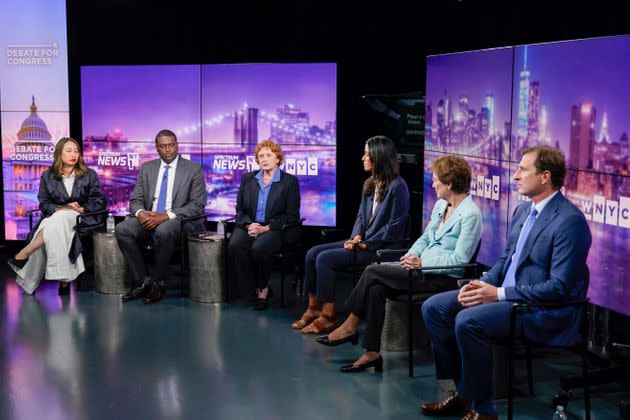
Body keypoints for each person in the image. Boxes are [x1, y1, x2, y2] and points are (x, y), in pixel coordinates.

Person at [420, 146, 591, 420]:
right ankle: (461, 392)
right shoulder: (523, 211)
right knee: (434, 308)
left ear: (545, 176)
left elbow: (558, 288)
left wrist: (497, 294)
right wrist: (481, 283)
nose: (515, 176)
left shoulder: (570, 221)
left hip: (540, 310)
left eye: (523, 169)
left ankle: (484, 410)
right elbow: (505, 260)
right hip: (506, 296)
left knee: (468, 320)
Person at [316, 155, 482, 373]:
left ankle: (350, 324)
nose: (432, 184)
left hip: (441, 278)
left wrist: (422, 262)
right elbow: (425, 238)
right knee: (376, 287)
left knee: (372, 270)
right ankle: (372, 352)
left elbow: (460, 262)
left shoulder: (471, 214)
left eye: (436, 180)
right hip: (420, 269)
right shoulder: (442, 205)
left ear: (449, 183)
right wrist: (411, 256)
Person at [292, 135, 409, 334]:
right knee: (312, 253)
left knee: (325, 259)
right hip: (363, 242)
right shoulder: (370, 183)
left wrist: (365, 244)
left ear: (378, 157)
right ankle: (314, 308)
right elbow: (360, 218)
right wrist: (355, 237)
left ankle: (329, 316)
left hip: (383, 249)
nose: (362, 158)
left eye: (366, 154)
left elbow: (394, 227)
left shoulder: (398, 186)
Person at [116, 129, 206, 304]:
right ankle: (142, 281)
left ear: (177, 145)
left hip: (179, 220)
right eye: (163, 146)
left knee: (164, 230)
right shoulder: (147, 168)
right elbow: (135, 200)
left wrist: (165, 216)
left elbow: (197, 205)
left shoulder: (193, 169)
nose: (168, 150)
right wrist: (141, 214)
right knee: (122, 229)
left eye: (171, 145)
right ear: (157, 148)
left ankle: (158, 282)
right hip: (150, 218)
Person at [7, 137, 106, 295]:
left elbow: (99, 201)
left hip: (83, 218)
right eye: (69, 150)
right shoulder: (48, 176)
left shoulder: (89, 174)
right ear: (59, 153)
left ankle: (25, 257)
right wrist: (63, 208)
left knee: (56, 221)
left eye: (76, 151)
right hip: (58, 217)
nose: (74, 154)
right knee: (58, 221)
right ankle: (65, 279)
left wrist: (81, 209)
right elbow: (44, 203)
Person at [227, 139, 301, 310]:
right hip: (250, 224)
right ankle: (253, 285)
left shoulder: (289, 182)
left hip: (277, 227)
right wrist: (248, 225)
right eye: (261, 156)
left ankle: (263, 290)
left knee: (259, 249)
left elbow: (291, 216)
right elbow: (240, 209)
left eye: (269, 155)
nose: (264, 159)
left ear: (277, 158)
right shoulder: (248, 179)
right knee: (235, 247)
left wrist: (265, 228)